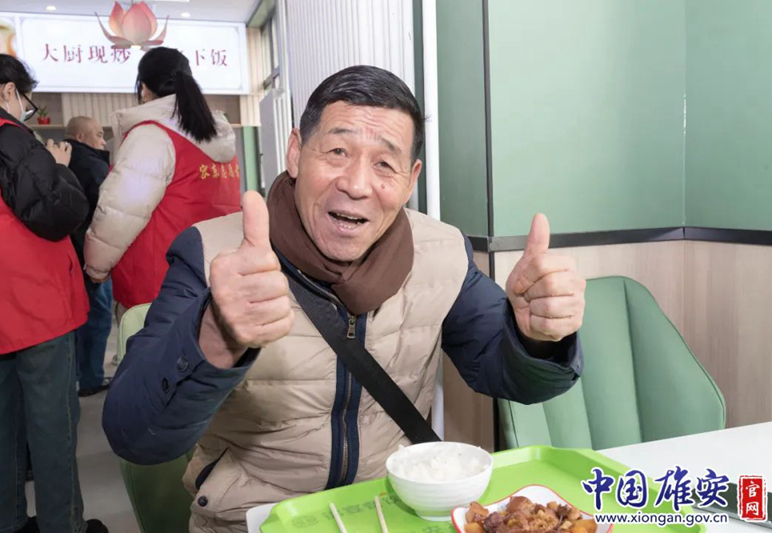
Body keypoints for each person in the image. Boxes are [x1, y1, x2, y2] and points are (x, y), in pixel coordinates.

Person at [103, 66, 587, 532]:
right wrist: (214, 334)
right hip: (253, 520)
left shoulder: (442, 252)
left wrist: (536, 338)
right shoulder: (211, 254)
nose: (356, 185)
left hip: (393, 514)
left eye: (384, 163)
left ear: (411, 178)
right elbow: (136, 437)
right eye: (337, 151)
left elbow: (511, 377)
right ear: (296, 152)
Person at [0, 53, 107, 533]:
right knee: (53, 424)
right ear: (9, 91)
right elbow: (58, 212)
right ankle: (63, 525)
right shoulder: (6, 135)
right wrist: (59, 167)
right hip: (36, 306)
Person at [84, 46, 241, 316]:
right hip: (216, 281)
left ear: (144, 89)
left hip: (159, 288)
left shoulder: (152, 136)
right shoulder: (219, 135)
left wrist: (96, 265)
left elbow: (120, 211)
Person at [65, 116, 114, 396]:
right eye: (98, 135)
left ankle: (74, 375)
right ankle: (92, 378)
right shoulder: (93, 166)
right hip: (91, 252)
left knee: (74, 319)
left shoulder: (55, 160)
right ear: (81, 137)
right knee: (98, 316)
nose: (103, 141)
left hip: (65, 255)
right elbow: (107, 211)